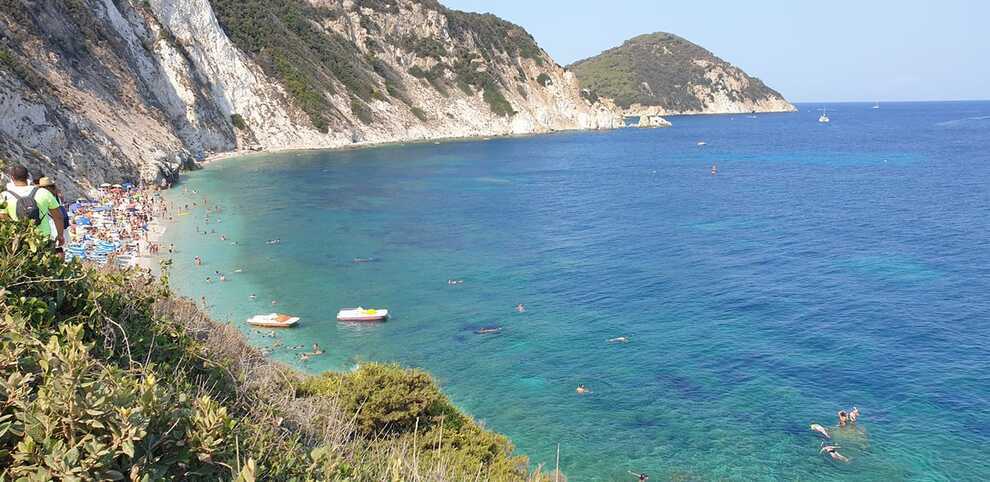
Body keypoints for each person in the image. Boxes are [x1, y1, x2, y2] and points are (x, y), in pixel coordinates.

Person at [1, 165, 66, 251]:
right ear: (28, 176)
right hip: (43, 239)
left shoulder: (4, 195)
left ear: (12, 178)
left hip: (18, 240)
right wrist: (60, 235)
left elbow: (2, 217)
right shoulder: (43, 192)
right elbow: (58, 217)